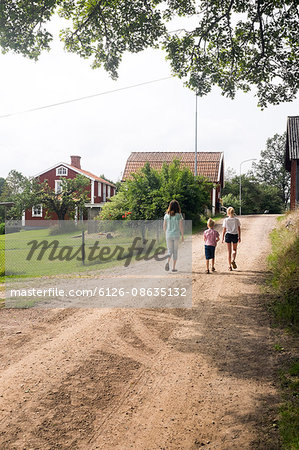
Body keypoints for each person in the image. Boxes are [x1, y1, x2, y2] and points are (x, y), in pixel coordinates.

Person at [163, 200, 184, 272]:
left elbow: (164, 226)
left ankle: (167, 262)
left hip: (168, 235)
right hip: (176, 235)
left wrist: (166, 233)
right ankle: (173, 268)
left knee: (169, 251)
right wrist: (182, 236)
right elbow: (181, 226)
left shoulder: (166, 215)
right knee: (175, 251)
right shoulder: (179, 215)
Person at [222, 206, 241, 271]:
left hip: (228, 235)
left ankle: (230, 266)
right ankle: (233, 260)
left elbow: (224, 229)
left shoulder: (226, 220)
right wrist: (239, 237)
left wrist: (222, 238)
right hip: (235, 235)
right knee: (234, 250)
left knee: (229, 252)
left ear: (228, 213)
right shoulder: (236, 220)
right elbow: (239, 229)